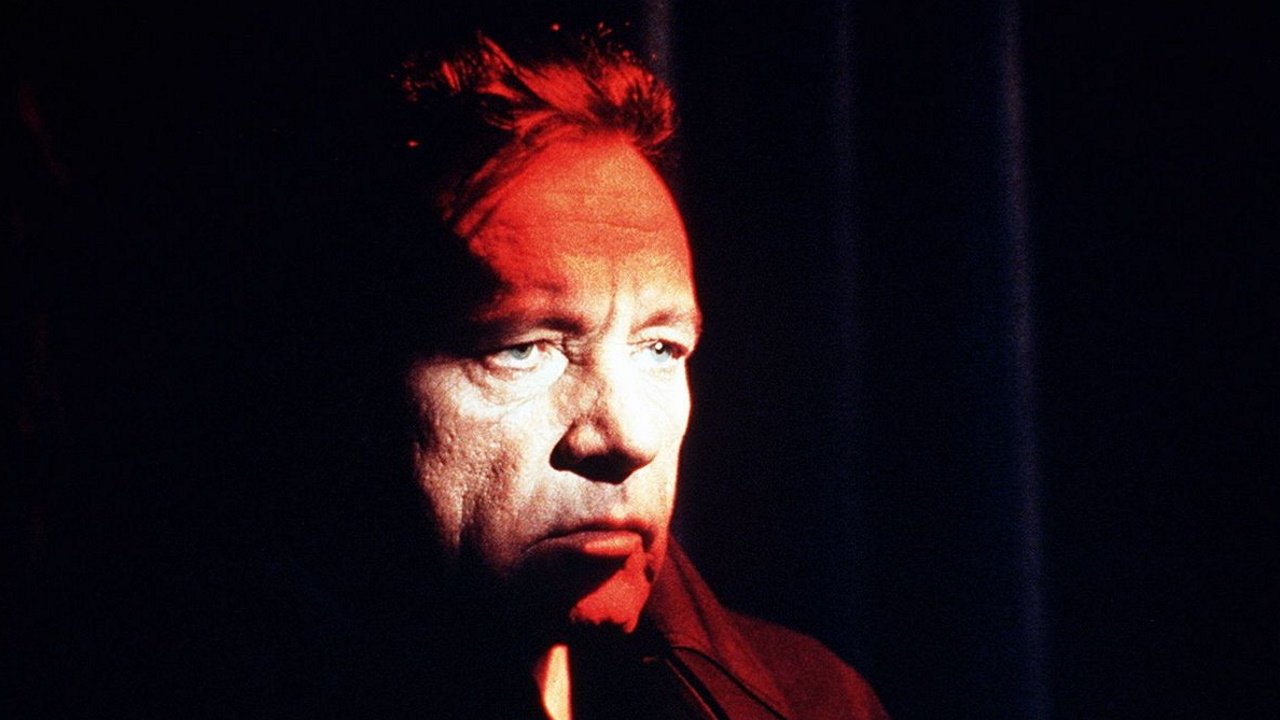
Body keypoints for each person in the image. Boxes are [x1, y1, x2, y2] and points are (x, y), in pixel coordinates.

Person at [292, 30, 887, 719]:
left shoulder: (817, 700)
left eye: (659, 349)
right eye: (523, 350)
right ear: (359, 390)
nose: (630, 438)